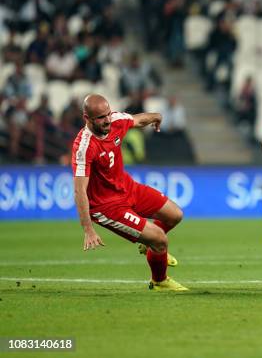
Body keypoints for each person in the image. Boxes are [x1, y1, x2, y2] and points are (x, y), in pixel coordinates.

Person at [71, 94, 187, 291]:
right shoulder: (83, 147)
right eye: (100, 117)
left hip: (128, 188)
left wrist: (156, 116)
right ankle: (159, 280)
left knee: (175, 215)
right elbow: (79, 189)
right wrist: (87, 228)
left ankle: (149, 245)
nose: (107, 120)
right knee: (160, 239)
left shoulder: (115, 121)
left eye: (107, 114)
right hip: (107, 206)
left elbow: (138, 119)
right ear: (86, 118)